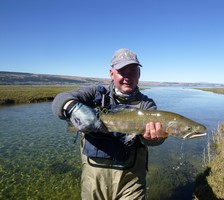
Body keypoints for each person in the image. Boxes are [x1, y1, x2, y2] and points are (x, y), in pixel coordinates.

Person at [52, 48, 165, 200]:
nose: (128, 77)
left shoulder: (146, 105)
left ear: (139, 74)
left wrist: (153, 138)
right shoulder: (94, 94)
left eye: (133, 71)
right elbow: (59, 100)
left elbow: (149, 141)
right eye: (122, 71)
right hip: (93, 182)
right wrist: (73, 108)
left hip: (131, 183)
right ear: (112, 74)